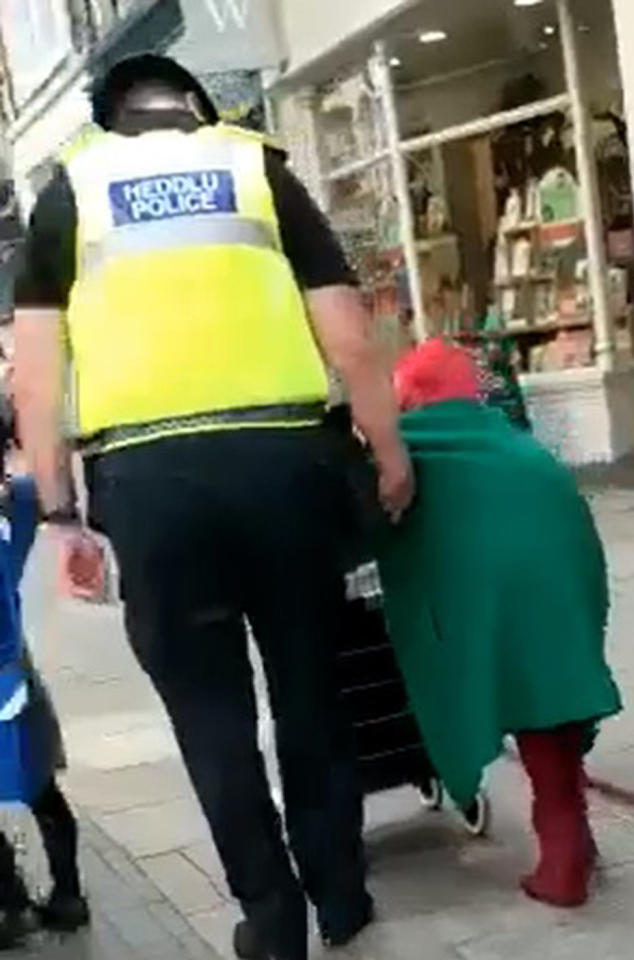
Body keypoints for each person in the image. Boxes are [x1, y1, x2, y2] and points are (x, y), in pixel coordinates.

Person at [13, 55, 413, 960]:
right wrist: (387, 448)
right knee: (312, 688)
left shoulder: (69, 189)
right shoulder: (257, 165)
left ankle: (271, 923)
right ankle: (341, 898)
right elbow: (346, 330)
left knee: (209, 713)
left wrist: (62, 516)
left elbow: (37, 379)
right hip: (287, 465)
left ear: (111, 118)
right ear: (197, 106)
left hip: (150, 489)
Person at [378, 338, 622, 907]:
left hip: (500, 596)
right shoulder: (515, 443)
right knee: (554, 704)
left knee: (527, 701)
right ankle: (574, 839)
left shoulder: (411, 450)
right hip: (568, 578)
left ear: (412, 396)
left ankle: (563, 863)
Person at [0, 467, 87, 949]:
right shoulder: (15, 506)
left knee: (38, 788)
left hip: (7, 677)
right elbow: (35, 491)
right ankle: (64, 895)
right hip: (16, 679)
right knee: (40, 787)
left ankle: (13, 906)